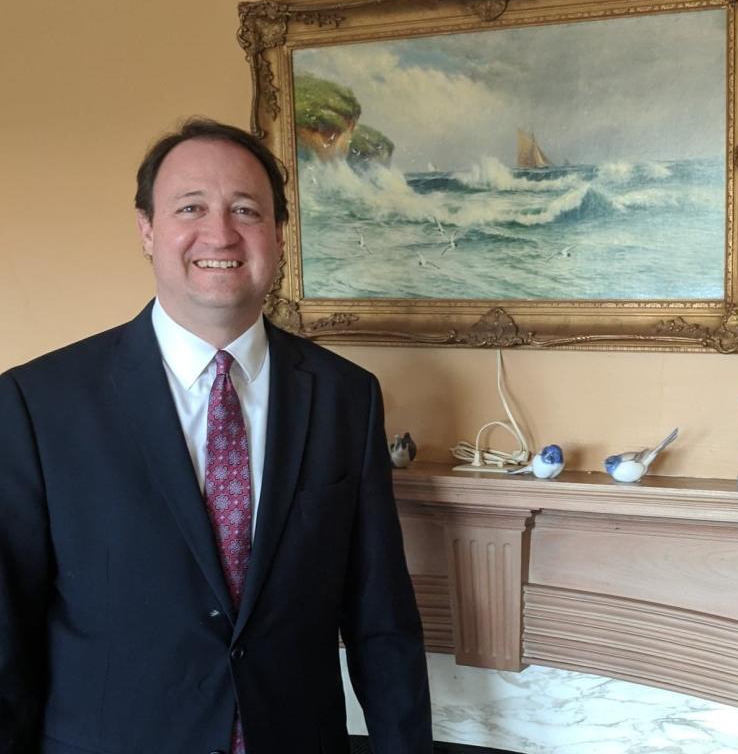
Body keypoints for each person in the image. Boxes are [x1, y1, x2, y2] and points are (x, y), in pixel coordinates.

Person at [0, 118, 433, 753]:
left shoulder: (347, 398)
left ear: (279, 236)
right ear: (147, 229)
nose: (220, 233)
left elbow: (381, 624)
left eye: (246, 210)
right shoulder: (36, 403)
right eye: (191, 207)